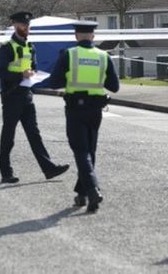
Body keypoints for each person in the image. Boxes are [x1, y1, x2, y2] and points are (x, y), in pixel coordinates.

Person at [44, 21, 119, 213]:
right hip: (95, 110)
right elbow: (114, 86)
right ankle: (83, 194)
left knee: (81, 151)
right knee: (89, 151)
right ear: (93, 36)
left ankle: (93, 190)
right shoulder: (104, 56)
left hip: (76, 108)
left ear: (76, 36)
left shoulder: (69, 54)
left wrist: (68, 78)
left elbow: (54, 83)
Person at [0, 11, 69, 184]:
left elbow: (33, 67)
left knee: (34, 134)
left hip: (27, 96)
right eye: (24, 25)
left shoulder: (30, 46)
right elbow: (1, 72)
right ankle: (6, 172)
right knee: (9, 136)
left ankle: (49, 168)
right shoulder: (6, 47)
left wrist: (34, 73)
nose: (27, 28)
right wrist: (22, 75)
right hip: (11, 96)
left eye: (28, 25)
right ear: (15, 25)